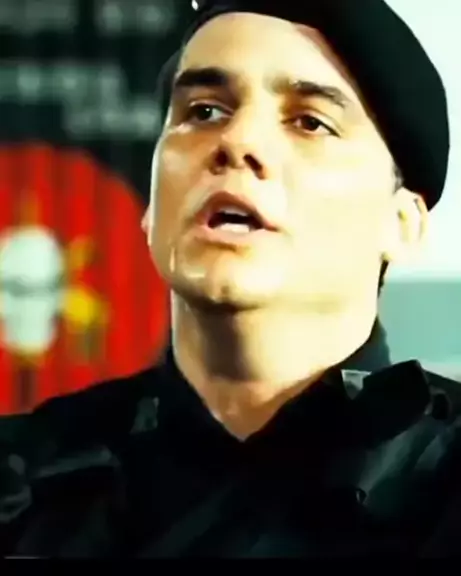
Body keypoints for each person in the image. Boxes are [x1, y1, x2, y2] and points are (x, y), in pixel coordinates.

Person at [0, 0, 459, 557]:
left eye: (310, 122)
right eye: (204, 112)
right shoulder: (21, 483)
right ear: (153, 207)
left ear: (402, 223)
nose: (237, 142)